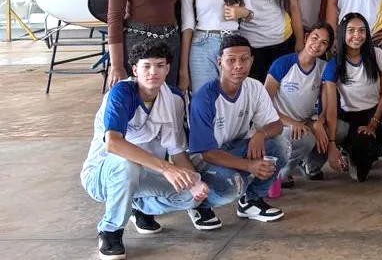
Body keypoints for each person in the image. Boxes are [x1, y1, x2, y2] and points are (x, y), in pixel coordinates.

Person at [82, 40, 205, 260]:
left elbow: (176, 150)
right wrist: (167, 168)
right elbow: (113, 143)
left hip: (146, 174)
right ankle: (110, 230)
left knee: (192, 195)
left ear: (168, 68)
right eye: (146, 66)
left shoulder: (174, 98)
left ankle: (140, 207)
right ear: (135, 69)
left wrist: (194, 180)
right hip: (102, 175)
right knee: (127, 164)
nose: (153, 72)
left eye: (159, 65)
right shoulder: (121, 93)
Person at [188, 34, 286, 227]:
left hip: (235, 146)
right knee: (233, 185)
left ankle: (250, 202)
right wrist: (249, 166)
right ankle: (198, 204)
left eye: (244, 59)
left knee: (281, 145)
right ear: (219, 62)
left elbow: (277, 125)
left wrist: (260, 133)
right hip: (205, 158)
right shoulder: (205, 97)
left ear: (251, 61)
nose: (238, 66)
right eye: (231, 60)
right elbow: (206, 153)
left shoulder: (254, 87)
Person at [321, 13, 382, 187]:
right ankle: (363, 155)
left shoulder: (376, 53)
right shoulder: (334, 63)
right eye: (352, 31)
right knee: (361, 172)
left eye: (362, 31)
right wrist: (332, 143)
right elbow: (331, 109)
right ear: (343, 33)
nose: (357, 35)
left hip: (375, 113)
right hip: (352, 118)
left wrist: (374, 123)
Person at [264, 22, 333, 196]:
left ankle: (310, 164)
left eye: (324, 43)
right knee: (307, 139)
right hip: (278, 123)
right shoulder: (283, 63)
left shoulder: (323, 68)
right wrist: (292, 123)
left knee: (335, 130)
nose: (317, 44)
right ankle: (279, 174)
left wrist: (319, 122)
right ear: (305, 37)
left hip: (304, 123)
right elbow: (263, 105)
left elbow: (326, 106)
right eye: (315, 38)